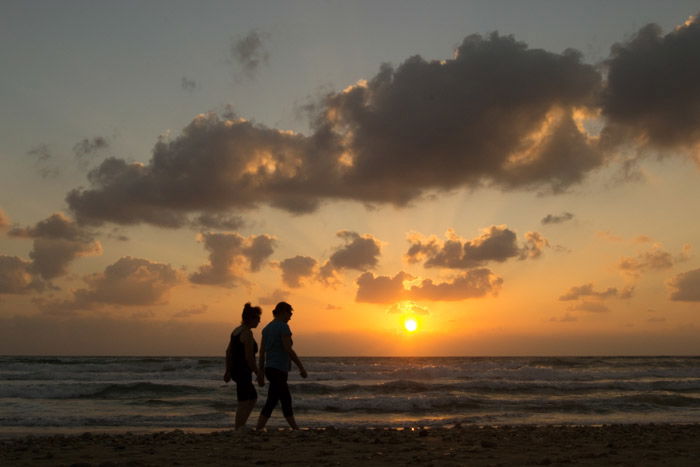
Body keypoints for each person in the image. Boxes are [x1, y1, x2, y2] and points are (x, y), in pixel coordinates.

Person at [255, 301, 307, 430]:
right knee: (284, 399)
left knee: (274, 399)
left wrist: (261, 371)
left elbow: (262, 352)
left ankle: (259, 428)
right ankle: (295, 428)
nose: (290, 316)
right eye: (289, 313)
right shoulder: (283, 327)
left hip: (270, 369)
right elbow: (288, 349)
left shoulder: (266, 329)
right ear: (283, 312)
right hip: (278, 369)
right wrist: (301, 367)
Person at [224, 302, 262, 430]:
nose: (259, 321)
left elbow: (228, 352)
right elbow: (249, 357)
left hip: (236, 370)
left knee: (251, 398)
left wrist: (228, 370)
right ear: (251, 319)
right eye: (258, 318)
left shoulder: (236, 331)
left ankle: (241, 426)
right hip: (242, 370)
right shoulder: (247, 333)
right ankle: (239, 427)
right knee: (245, 401)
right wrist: (258, 373)